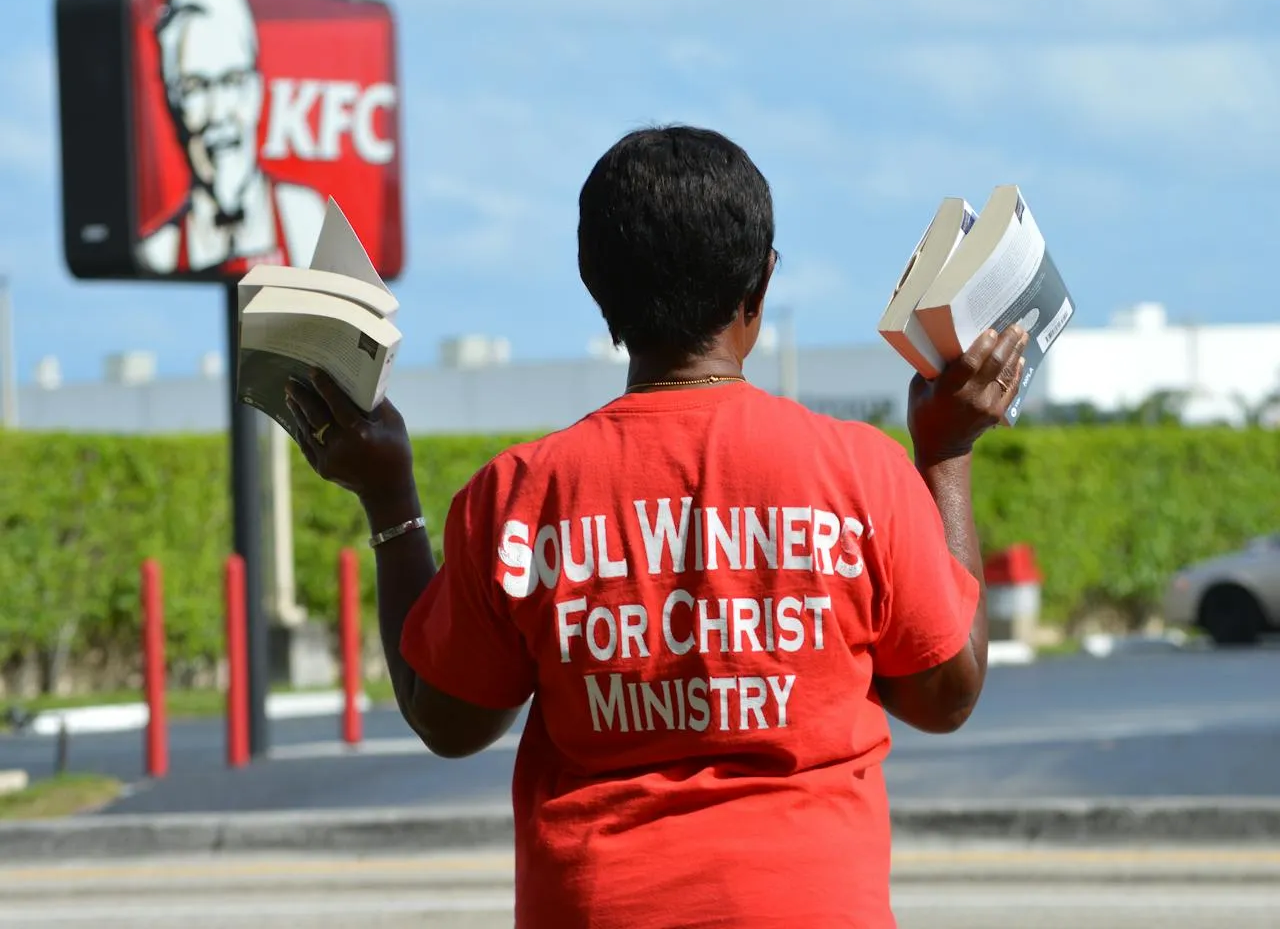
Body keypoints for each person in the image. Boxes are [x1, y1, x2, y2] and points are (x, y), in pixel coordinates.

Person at [285, 125, 1028, 928]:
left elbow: (449, 717)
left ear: (595, 286)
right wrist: (947, 454)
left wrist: (390, 497)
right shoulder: (862, 473)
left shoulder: (519, 494)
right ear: (760, 286)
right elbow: (946, 693)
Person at [136, 0, 325, 276]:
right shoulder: (159, 252)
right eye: (195, 87)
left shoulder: (307, 220)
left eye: (232, 81)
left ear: (257, 89)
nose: (218, 112)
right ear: (172, 103)